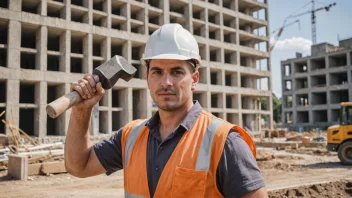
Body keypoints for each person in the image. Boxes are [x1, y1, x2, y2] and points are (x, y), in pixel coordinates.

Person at [65, 23, 267, 198]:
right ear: (147, 78)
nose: (166, 82)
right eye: (157, 72)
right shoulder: (131, 137)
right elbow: (78, 166)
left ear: (194, 79)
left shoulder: (224, 142)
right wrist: (81, 111)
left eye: (177, 72)